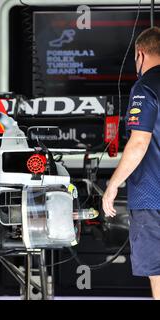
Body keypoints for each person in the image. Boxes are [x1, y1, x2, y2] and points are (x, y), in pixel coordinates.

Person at [102, 27, 160, 300]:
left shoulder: (146, 86)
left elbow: (139, 142)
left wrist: (113, 185)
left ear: (140, 54)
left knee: (159, 271)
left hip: (154, 197)